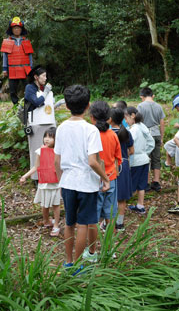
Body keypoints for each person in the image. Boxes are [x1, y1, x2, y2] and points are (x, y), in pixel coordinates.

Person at [54, 84, 110, 268]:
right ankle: (78, 265)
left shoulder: (61, 128)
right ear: (88, 106)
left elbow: (57, 160)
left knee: (69, 223)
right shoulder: (90, 130)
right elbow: (93, 161)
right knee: (83, 225)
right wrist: (105, 178)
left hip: (68, 182)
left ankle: (68, 262)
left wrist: (61, 179)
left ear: (67, 106)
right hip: (86, 184)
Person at [20, 127, 61, 237]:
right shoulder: (40, 151)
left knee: (56, 205)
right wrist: (25, 176)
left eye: (50, 137)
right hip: (44, 182)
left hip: (56, 183)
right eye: (45, 136)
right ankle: (46, 221)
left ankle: (56, 225)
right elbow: (36, 166)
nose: (47, 139)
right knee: (44, 204)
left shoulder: (59, 151)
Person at [90, 101, 122, 234]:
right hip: (111, 178)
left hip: (93, 179)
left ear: (92, 117)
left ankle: (92, 250)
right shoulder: (113, 135)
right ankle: (110, 249)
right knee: (110, 216)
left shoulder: (91, 135)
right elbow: (118, 159)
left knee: (93, 218)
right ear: (109, 118)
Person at [24, 66, 56, 181]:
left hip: (48, 122)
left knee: (49, 151)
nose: (45, 78)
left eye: (46, 76)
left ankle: (49, 174)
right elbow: (36, 102)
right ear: (36, 77)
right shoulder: (30, 88)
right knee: (36, 150)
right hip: (36, 124)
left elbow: (46, 107)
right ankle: (36, 177)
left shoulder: (43, 89)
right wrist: (46, 92)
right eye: (43, 76)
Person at [125, 106, 155, 215]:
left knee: (131, 184)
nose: (125, 121)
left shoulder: (133, 130)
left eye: (126, 118)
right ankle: (140, 205)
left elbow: (129, 145)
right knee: (141, 185)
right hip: (144, 159)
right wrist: (145, 152)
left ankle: (121, 206)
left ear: (132, 116)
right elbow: (151, 142)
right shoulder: (143, 126)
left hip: (135, 161)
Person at [137, 87, 165, 192]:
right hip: (156, 133)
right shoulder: (159, 106)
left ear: (142, 96)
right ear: (152, 95)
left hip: (146, 135)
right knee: (156, 158)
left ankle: (147, 182)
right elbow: (162, 122)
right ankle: (156, 182)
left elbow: (138, 121)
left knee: (146, 158)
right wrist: (161, 137)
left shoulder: (141, 106)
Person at [110, 107, 134, 231]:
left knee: (110, 195)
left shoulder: (108, 133)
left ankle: (108, 223)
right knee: (122, 197)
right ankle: (120, 223)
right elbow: (132, 150)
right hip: (123, 165)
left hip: (110, 166)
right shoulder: (126, 132)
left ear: (109, 119)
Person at [0, 17, 34, 104]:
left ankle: (28, 105)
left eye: (18, 28)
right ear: (11, 29)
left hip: (25, 69)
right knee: (12, 90)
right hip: (12, 69)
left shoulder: (26, 41)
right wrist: (4, 69)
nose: (16, 29)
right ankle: (16, 105)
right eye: (14, 28)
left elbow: (30, 56)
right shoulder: (7, 41)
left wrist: (31, 68)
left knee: (28, 88)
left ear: (21, 29)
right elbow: (5, 56)